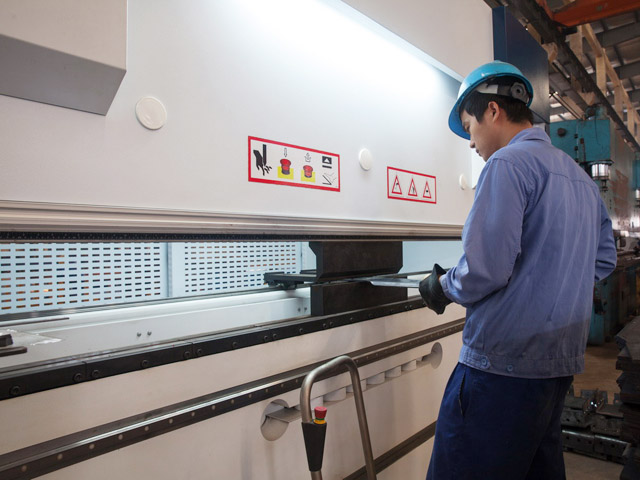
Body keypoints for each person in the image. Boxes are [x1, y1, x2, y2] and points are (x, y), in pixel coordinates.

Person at [419, 61, 617, 480]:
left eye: (470, 126)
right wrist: (552, 285)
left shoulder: (507, 165)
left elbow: (485, 269)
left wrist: (442, 286)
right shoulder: (580, 181)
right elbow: (602, 260)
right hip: (557, 368)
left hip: (499, 369)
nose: (471, 142)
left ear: (493, 111)